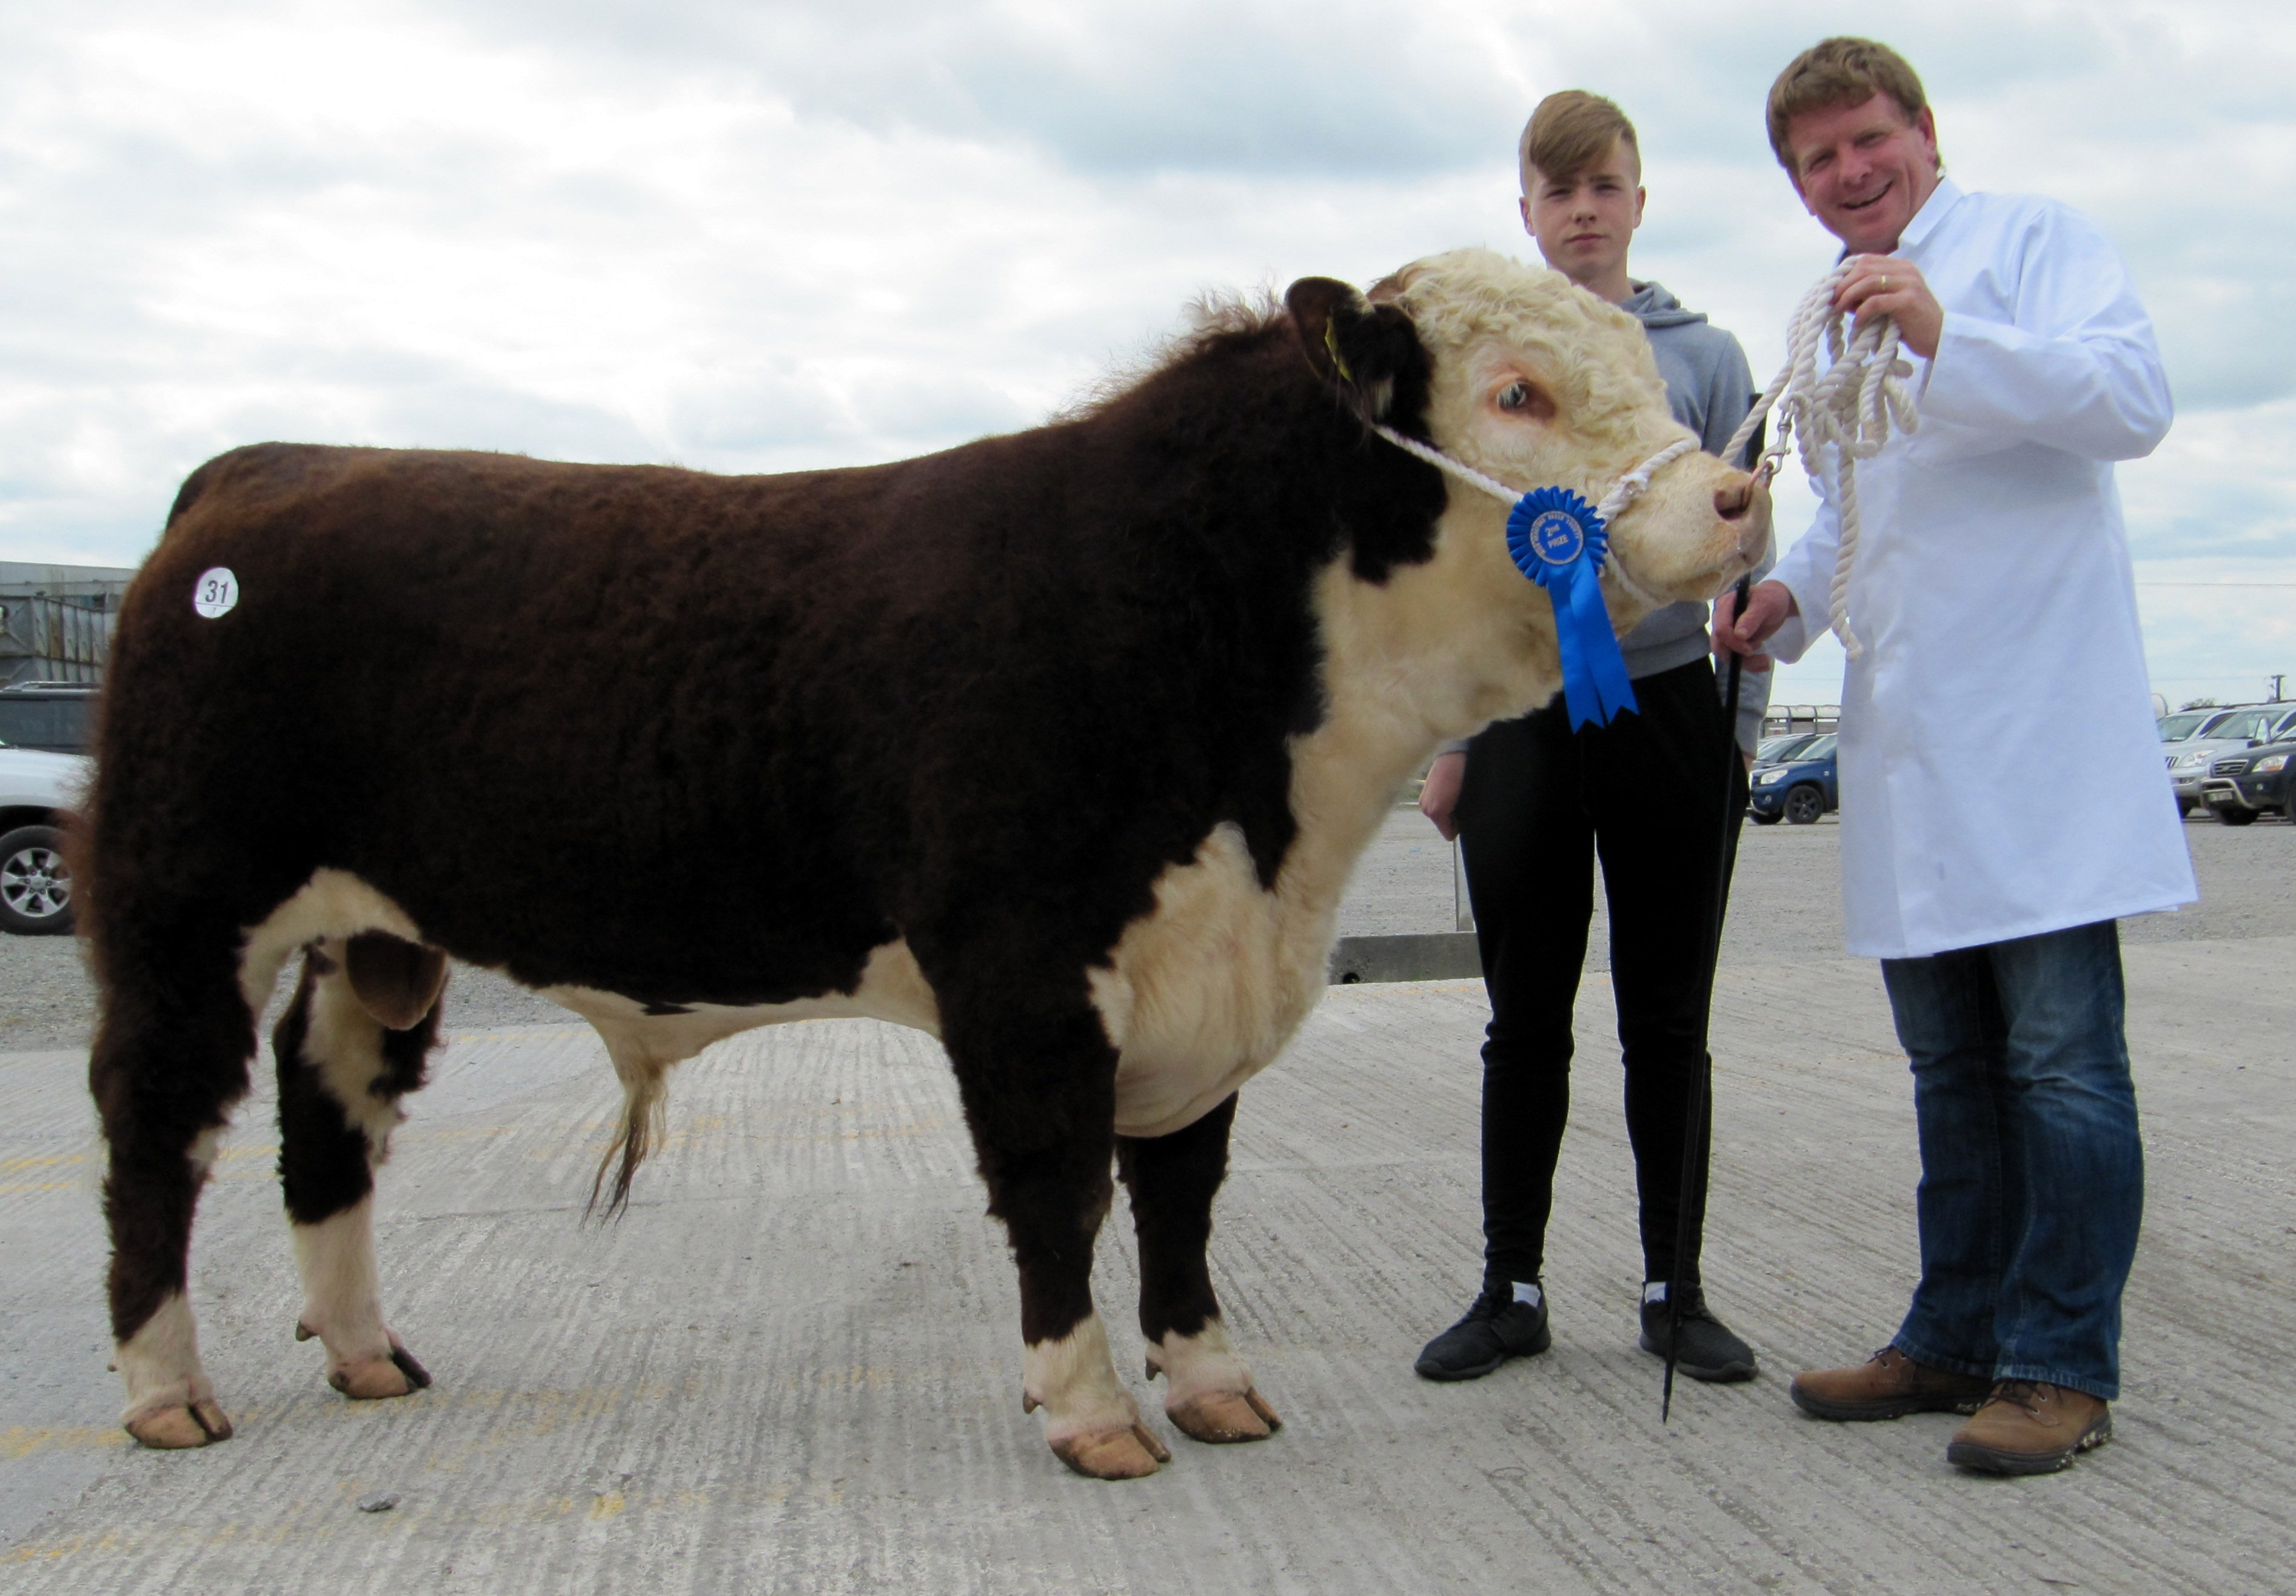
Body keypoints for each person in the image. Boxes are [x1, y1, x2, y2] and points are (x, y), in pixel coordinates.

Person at [1715, 38, 2192, 1475]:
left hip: (2039, 735)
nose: (1851, 174)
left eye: (1869, 140)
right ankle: (1952, 1334)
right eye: (1818, 161)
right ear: (1797, 188)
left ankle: (2059, 1364)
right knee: (1947, 1071)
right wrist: (1789, 597)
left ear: (1924, 129)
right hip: (1914, 744)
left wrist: (1941, 329)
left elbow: (2133, 404)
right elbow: (1861, 494)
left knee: (2060, 1066)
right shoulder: (1831, 313)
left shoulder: (2033, 243)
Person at [1413, 90, 1769, 1387]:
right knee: (1524, 1019)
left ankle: (1675, 1290)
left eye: (1603, 186)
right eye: (1555, 191)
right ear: (1526, 210)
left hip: (1672, 711)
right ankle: (1511, 1286)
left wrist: (1742, 730)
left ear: (1636, 199)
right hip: (1522, 715)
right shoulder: (1499, 371)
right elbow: (1461, 557)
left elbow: (1741, 540)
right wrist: (1452, 737)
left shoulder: (1709, 356)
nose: (1581, 210)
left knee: (1667, 1018)